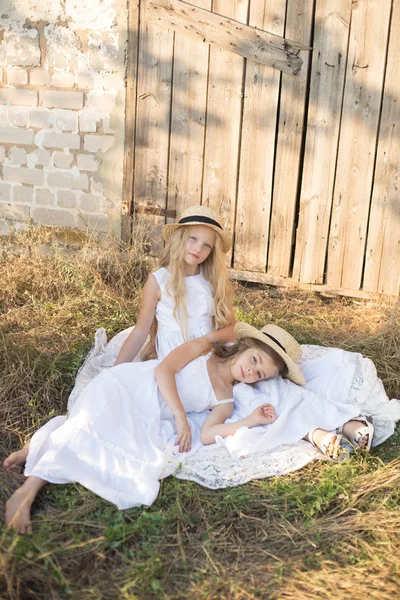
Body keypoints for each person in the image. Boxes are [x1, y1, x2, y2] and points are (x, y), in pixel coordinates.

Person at [4, 323, 305, 533]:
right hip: (129, 385)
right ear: (244, 346)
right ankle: (28, 490)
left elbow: (207, 435)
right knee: (92, 423)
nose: (251, 371)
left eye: (259, 374)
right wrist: (180, 416)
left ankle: (37, 445)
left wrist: (249, 421)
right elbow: (164, 369)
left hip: (147, 412)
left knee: (105, 434)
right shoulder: (205, 350)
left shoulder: (225, 399)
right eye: (254, 360)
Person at [114, 205, 236, 366]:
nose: (198, 248)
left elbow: (233, 328)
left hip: (209, 349)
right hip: (175, 357)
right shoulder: (159, 281)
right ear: (180, 238)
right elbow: (140, 331)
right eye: (193, 239)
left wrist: (208, 339)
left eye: (207, 245)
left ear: (212, 251)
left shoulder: (211, 281)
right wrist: (116, 369)